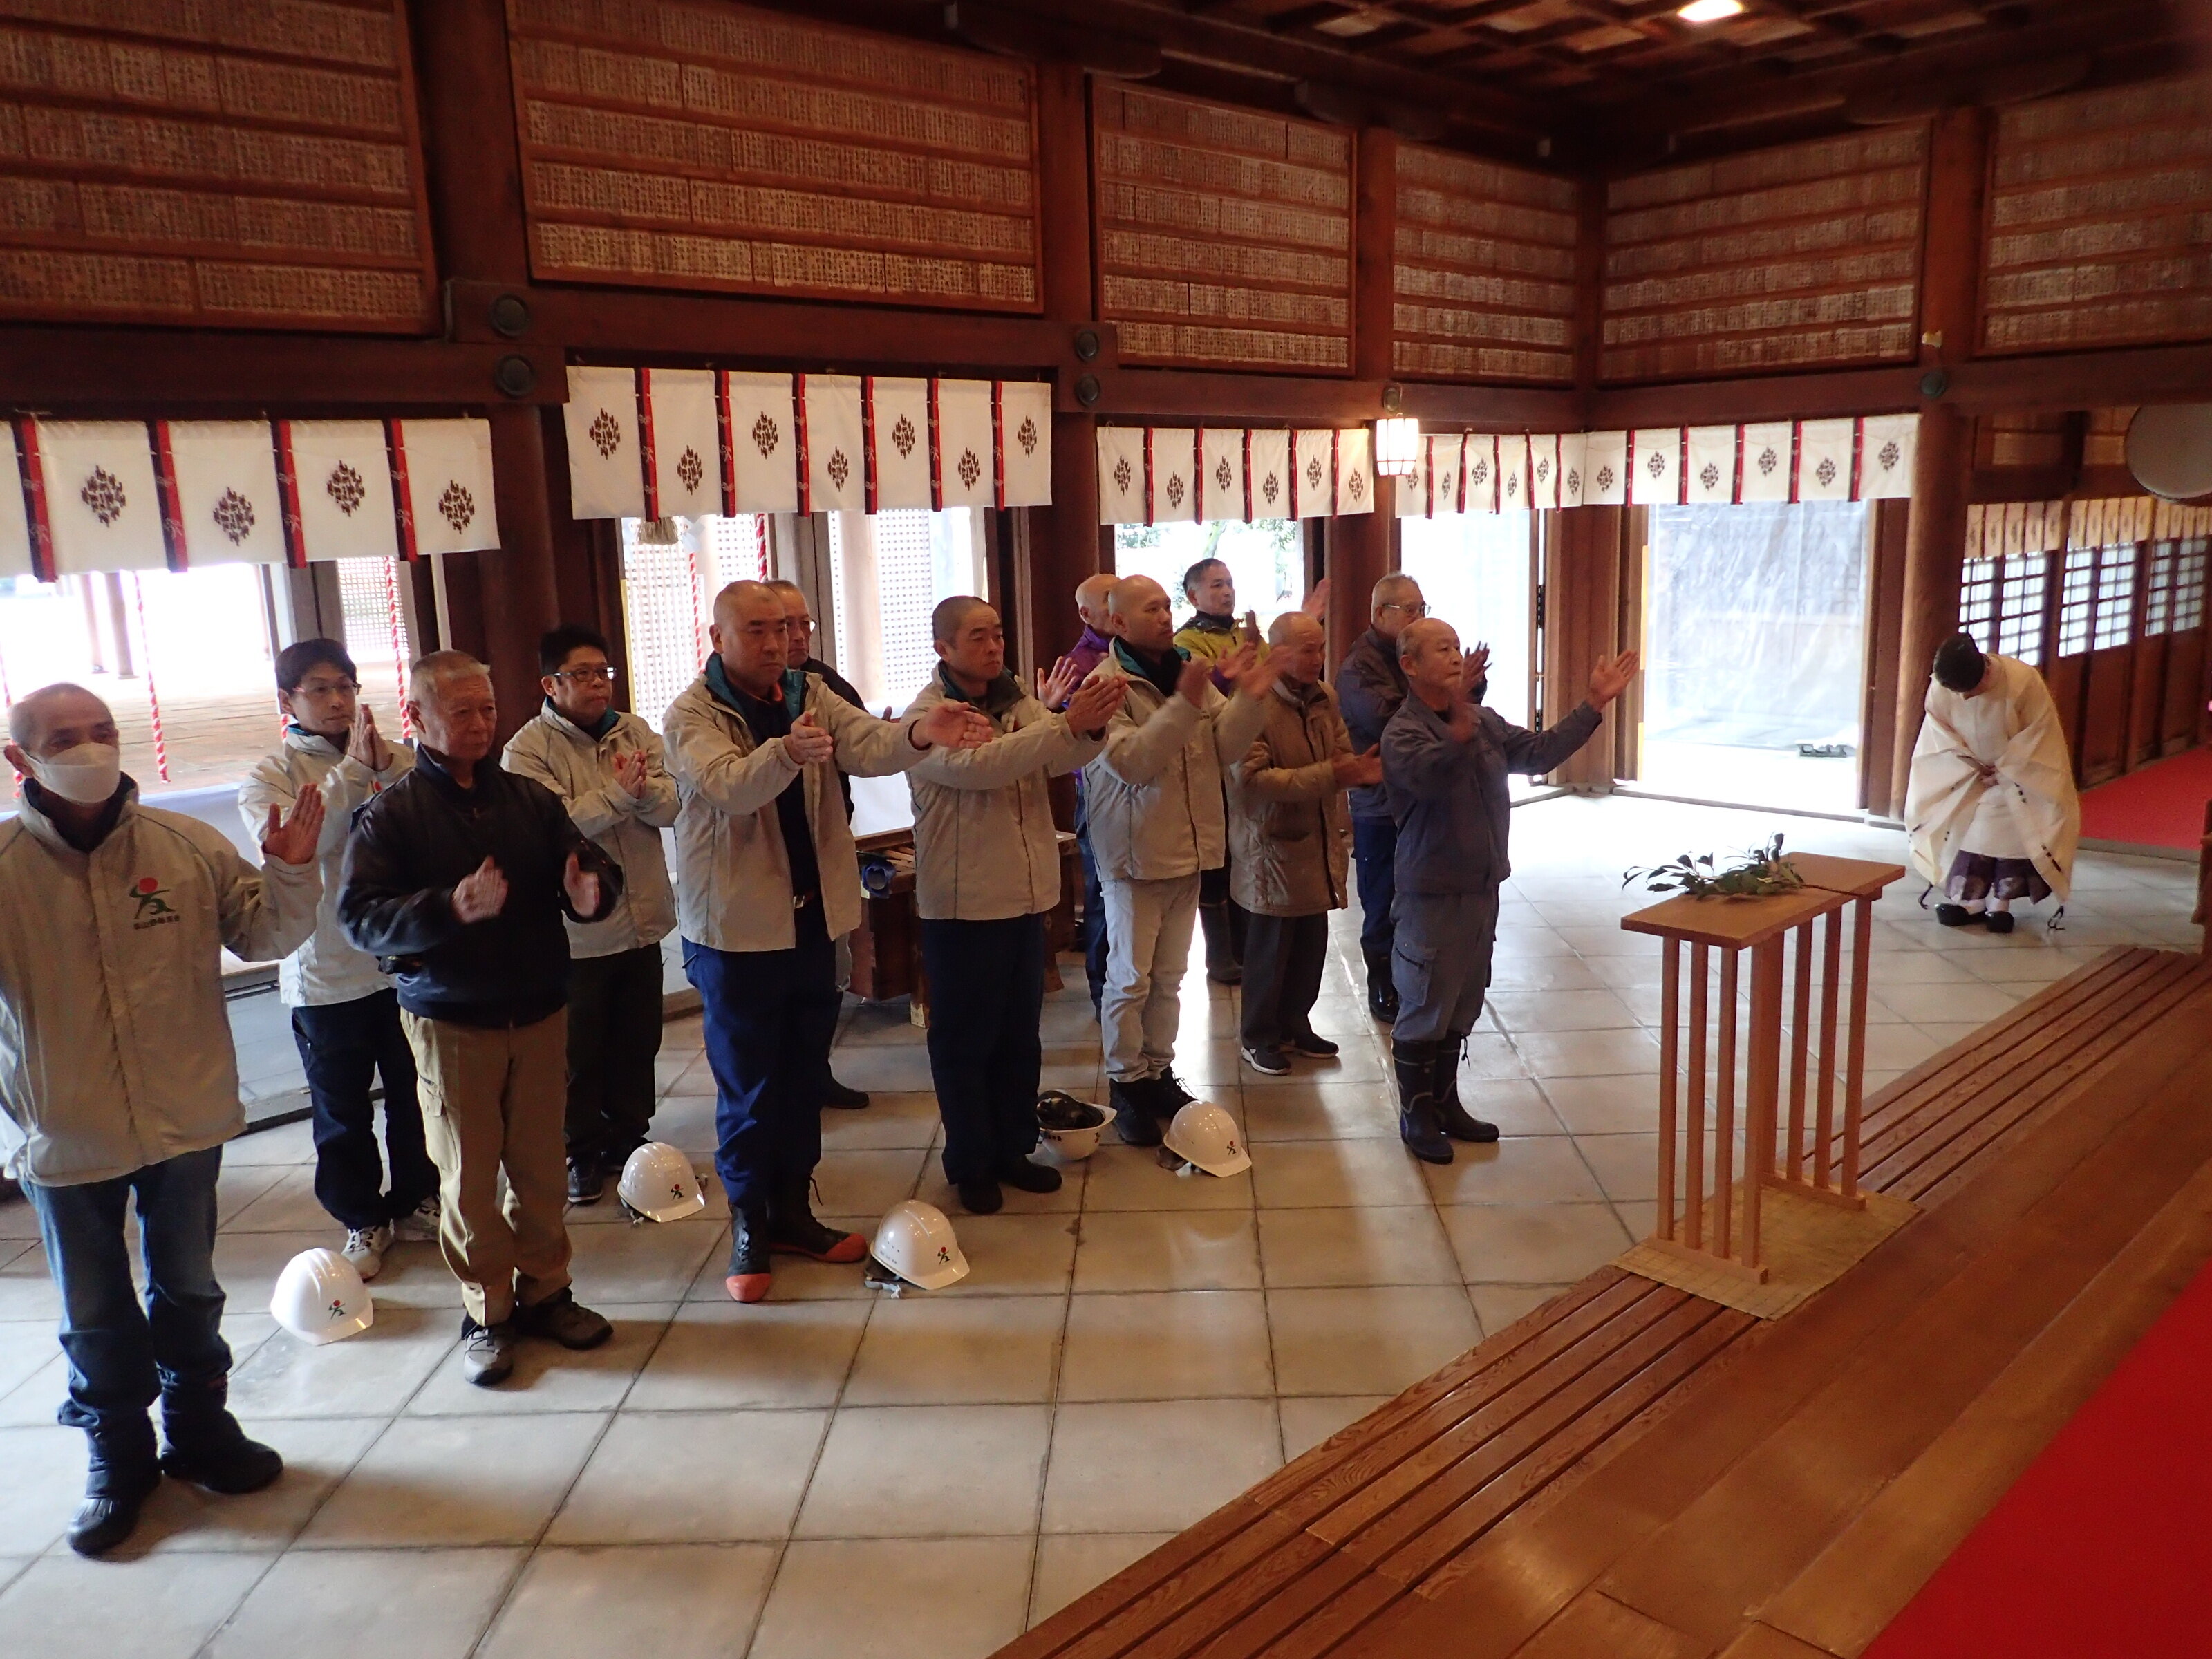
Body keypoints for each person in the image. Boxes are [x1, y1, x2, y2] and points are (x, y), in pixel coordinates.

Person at [1, 682, 324, 1555]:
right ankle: (119, 1456)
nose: (89, 748)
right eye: (64, 738)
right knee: (94, 1308)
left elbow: (264, 937)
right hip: (66, 1128)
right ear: (19, 758)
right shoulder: (5, 868)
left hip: (185, 1111)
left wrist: (292, 870)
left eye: (101, 730)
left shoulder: (184, 845)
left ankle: (199, 1430)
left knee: (189, 1287)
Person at [663, 581, 995, 1302]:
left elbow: (867, 742)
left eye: (784, 628)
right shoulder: (691, 713)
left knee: (801, 1078)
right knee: (750, 1088)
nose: (775, 642)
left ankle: (793, 1211)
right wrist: (785, 751)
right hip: (736, 933)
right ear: (717, 638)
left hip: (811, 920)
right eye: (756, 630)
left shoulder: (806, 690)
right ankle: (749, 1223)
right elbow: (727, 786)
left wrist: (920, 732)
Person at [339, 652, 624, 1387]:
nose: (479, 724)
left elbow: (588, 866)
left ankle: (547, 1291)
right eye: (461, 711)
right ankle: (488, 1311)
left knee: (540, 1167)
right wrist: (448, 908)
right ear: (416, 718)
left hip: (538, 1007)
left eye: (488, 709)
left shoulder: (529, 799)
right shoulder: (392, 815)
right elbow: (360, 918)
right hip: (451, 1018)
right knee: (467, 1176)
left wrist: (590, 894)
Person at [1382, 620, 1637, 1163]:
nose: (1455, 656)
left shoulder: (1483, 721)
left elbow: (1539, 755)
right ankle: (1415, 1115)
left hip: (1482, 885)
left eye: (1457, 647)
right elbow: (1429, 778)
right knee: (1425, 1001)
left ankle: (1445, 1103)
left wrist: (1593, 703)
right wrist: (1455, 734)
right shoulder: (1403, 731)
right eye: (1441, 650)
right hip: (1433, 890)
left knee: (1462, 1001)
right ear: (1409, 665)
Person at [905, 596, 1122, 1213]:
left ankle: (1013, 1149)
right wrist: (1062, 723)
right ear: (944, 648)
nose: (994, 646)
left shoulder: (1014, 698)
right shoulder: (930, 715)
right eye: (978, 637)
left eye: (998, 634)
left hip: (1026, 896)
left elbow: (1056, 756)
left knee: (1019, 1039)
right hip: (965, 904)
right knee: (965, 1043)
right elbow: (983, 767)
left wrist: (1089, 727)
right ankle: (971, 1162)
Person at [238, 640, 434, 1282]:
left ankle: (418, 1198)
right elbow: (302, 844)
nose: (336, 701)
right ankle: (361, 1218)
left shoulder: (396, 759)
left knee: (416, 1094)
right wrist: (354, 773)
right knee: (343, 1110)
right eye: (319, 689)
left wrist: (385, 768)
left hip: (401, 961)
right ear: (287, 700)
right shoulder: (269, 776)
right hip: (324, 973)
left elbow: (427, 830)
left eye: (346, 687)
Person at [1082, 575, 1278, 1145]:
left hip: (1187, 848)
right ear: (1119, 623)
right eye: (1152, 609)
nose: (1166, 616)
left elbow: (1224, 747)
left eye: (1167, 606)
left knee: (1170, 977)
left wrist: (1250, 698)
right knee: (1130, 979)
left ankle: (1157, 1071)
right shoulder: (1104, 686)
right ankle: (1126, 1082)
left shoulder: (1183, 670)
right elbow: (1133, 763)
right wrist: (1185, 703)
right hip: (1134, 855)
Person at [502, 624, 680, 1204]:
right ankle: (580, 1151)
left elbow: (673, 805)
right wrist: (622, 796)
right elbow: (551, 826)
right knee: (578, 1052)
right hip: (576, 935)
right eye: (582, 674)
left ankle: (629, 1140)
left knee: (637, 1042)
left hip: (643, 917)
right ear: (550, 685)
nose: (599, 684)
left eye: (603, 672)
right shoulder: (528, 750)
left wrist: (639, 795)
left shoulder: (636, 731)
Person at [1229, 613, 1379, 1075]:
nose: (1318, 658)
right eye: (1307, 650)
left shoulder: (1324, 696)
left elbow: (1341, 751)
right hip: (1270, 845)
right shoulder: (1253, 704)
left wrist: (1351, 770)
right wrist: (1331, 774)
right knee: (1270, 951)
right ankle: (1258, 1036)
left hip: (1317, 839)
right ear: (1279, 653)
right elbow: (1252, 780)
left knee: (1310, 946)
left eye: (1321, 648)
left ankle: (1296, 1024)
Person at [765, 577, 870, 1109]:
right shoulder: (730, 699)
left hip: (824, 849)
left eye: (804, 622)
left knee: (825, 974)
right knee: (772, 991)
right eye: (786, 625)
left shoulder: (822, 685)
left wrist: (907, 737)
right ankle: (780, 1087)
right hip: (765, 865)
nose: (799, 635)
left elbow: (864, 741)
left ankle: (816, 1073)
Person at [1905, 631, 2079, 932]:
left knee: (2010, 834)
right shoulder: (1941, 687)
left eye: (1970, 690)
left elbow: (2039, 733)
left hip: (2017, 775)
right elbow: (1938, 732)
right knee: (1967, 831)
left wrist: (2005, 769)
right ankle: (1970, 902)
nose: (1964, 698)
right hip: (1967, 773)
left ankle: (2001, 904)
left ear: (1986, 670)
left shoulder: (2022, 680)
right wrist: (1967, 763)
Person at [1339, 572, 1438, 1023]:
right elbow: (1393, 724)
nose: (1419, 617)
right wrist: (1439, 695)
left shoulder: (1416, 655)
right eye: (1411, 610)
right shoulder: (1359, 667)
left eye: (1423, 609)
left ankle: (1417, 977)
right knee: (1382, 899)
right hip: (1379, 804)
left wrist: (1465, 686)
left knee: (1422, 895)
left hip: (1424, 797)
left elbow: (1454, 711)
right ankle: (1382, 982)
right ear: (1381, 613)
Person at [1065, 572, 1121, 1015]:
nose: (1118, 604)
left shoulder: (1142, 653)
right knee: (1102, 894)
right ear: (1087, 613)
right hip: (1099, 793)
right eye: (1109, 598)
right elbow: (1076, 738)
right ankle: (1103, 993)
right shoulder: (1080, 664)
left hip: (1147, 792)